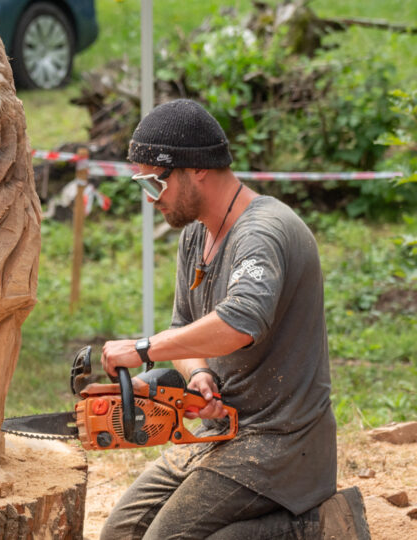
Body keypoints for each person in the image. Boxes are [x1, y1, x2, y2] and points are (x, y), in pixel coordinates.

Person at [99, 99, 337, 539]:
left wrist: (142, 350)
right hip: (220, 431)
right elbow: (183, 329)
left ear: (196, 170)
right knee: (121, 532)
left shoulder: (262, 232)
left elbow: (241, 322)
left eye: (154, 185)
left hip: (279, 442)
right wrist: (199, 374)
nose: (151, 201)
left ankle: (308, 525)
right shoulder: (195, 235)